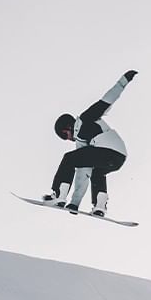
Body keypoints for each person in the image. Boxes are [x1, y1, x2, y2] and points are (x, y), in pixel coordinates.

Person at [43, 70, 138, 216]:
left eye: (66, 136)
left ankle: (57, 195)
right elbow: (83, 173)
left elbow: (106, 101)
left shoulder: (85, 119)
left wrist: (123, 81)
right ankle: (99, 206)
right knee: (96, 172)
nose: (69, 139)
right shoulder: (83, 143)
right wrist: (74, 203)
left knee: (68, 159)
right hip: (119, 156)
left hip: (106, 149)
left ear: (67, 127)